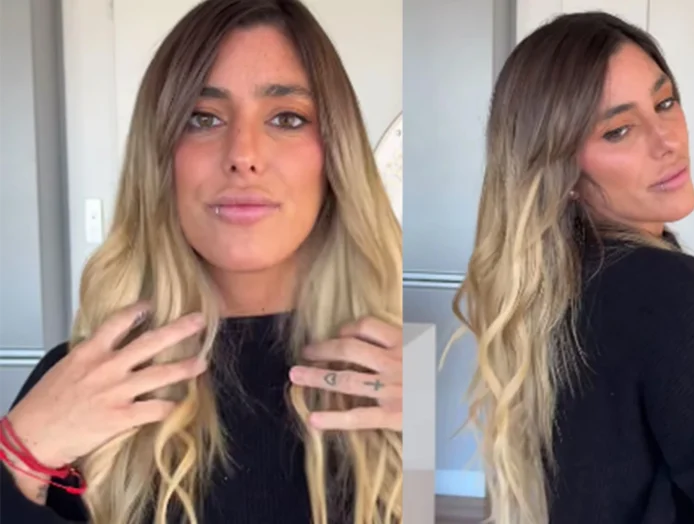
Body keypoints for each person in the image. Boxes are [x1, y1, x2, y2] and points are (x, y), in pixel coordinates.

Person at [0, 1, 402, 523]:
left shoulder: (400, 371)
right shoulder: (82, 380)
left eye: (286, 118)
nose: (243, 155)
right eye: (202, 118)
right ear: (160, 159)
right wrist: (17, 457)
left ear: (336, 155)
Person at [450, 11, 694, 524]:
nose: (666, 139)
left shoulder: (555, 288)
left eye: (665, 102)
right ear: (561, 170)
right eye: (620, 130)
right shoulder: (673, 292)